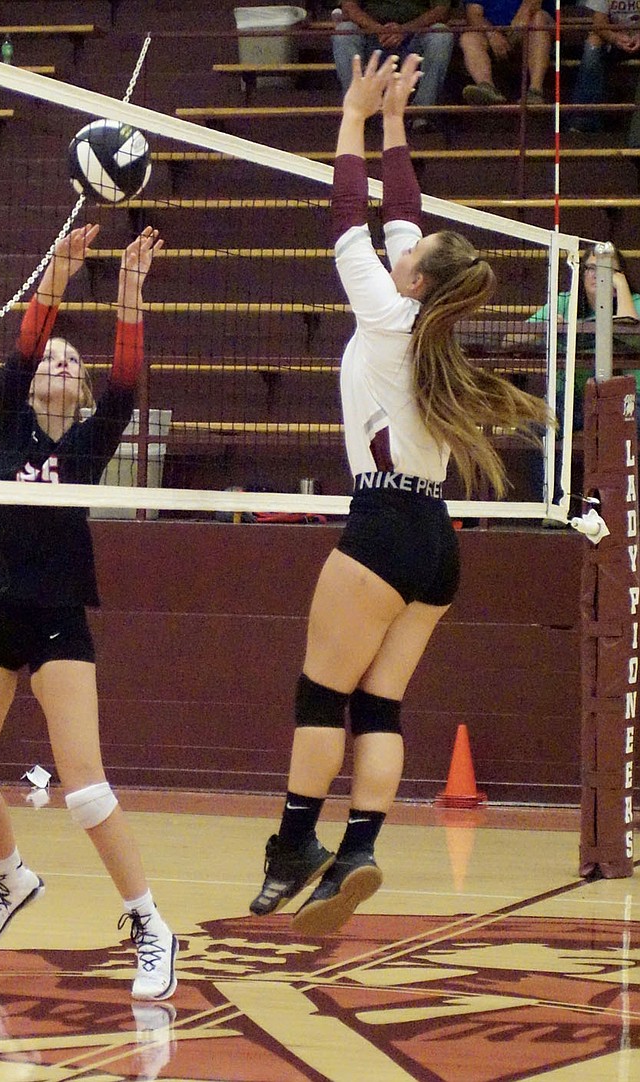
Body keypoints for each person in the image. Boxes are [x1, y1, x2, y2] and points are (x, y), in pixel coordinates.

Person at [249, 51, 551, 935]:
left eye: (409, 253)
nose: (402, 245)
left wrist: (349, 114)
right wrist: (394, 122)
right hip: (436, 544)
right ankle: (361, 848)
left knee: (319, 695)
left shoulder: (386, 314)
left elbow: (351, 217)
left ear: (416, 277)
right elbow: (402, 215)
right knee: (377, 702)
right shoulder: (433, 325)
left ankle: (293, 848)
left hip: (381, 524)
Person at [0, 223, 178, 1002]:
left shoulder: (85, 446)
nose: (59, 361)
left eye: (72, 363)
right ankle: (11, 879)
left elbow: (127, 385)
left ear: (76, 391)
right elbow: (27, 338)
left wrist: (129, 294)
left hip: (56, 619)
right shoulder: (2, 420)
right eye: (54, 356)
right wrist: (59, 274)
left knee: (85, 790)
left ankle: (150, 926)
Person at [524, 243, 640, 514]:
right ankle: (553, 507)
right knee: (531, 429)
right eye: (589, 268)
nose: (594, 274)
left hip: (628, 400)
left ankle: (617, 514)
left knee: (623, 434)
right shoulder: (565, 300)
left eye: (605, 269)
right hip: (574, 400)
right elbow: (514, 338)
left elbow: (628, 331)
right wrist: (549, 325)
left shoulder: (633, 302)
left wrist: (620, 288)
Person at [332, 1, 454, 129]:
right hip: (370, 34)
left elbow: (442, 10)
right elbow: (349, 7)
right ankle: (357, 108)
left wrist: (405, 30)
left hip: (417, 34)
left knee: (441, 35)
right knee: (344, 31)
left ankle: (422, 112)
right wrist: (378, 29)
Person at [460, 0, 553, 105]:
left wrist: (524, 13)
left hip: (529, 31)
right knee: (468, 38)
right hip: (493, 35)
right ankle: (486, 87)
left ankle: (535, 91)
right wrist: (491, 33)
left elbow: (534, 2)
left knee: (539, 18)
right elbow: (474, 14)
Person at [569, 0, 640, 133]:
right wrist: (615, 38)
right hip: (614, 38)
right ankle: (584, 118)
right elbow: (599, 23)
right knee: (592, 44)